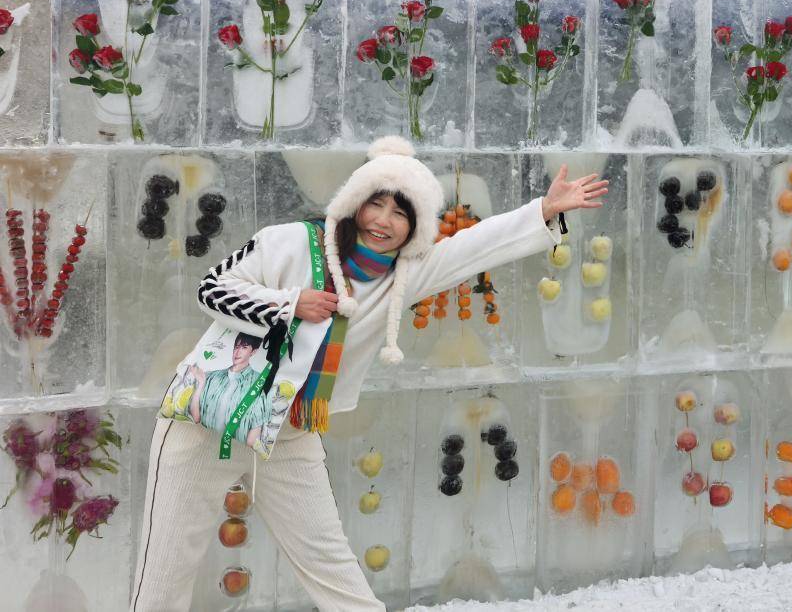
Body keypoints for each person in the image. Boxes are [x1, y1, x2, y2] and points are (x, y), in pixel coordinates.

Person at [131, 137, 607, 611]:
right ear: (355, 203)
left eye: (401, 213)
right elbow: (212, 288)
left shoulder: (404, 276)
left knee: (336, 574)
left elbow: (474, 247)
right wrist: (288, 304)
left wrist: (544, 210)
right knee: (165, 577)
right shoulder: (290, 241)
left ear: (415, 227)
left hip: (288, 433)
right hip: (205, 422)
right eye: (376, 204)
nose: (384, 220)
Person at [188, 331, 269, 450]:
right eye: (236, 347)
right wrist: (200, 385)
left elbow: (253, 438)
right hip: (204, 441)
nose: (237, 352)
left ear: (253, 352)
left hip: (237, 450)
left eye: (244, 347)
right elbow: (195, 418)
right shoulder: (212, 377)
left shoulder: (259, 382)